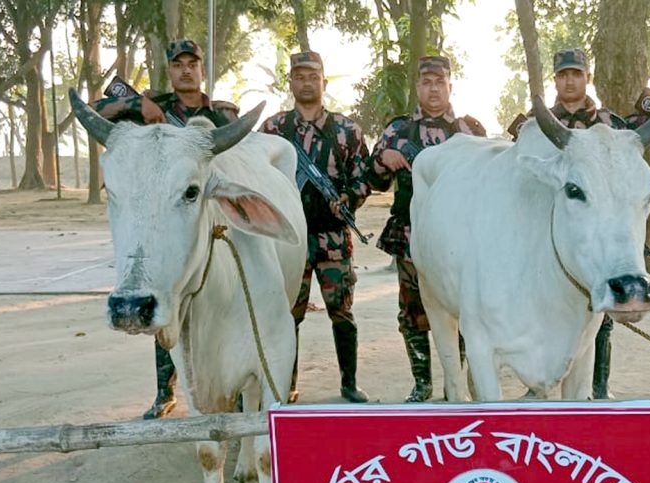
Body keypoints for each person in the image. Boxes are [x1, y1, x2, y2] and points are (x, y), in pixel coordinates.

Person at [94, 38, 239, 419]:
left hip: (205, 227)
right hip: (157, 229)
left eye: (193, 64)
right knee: (162, 306)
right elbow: (98, 110)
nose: (186, 70)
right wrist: (136, 104)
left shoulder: (221, 116)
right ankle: (165, 391)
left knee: (216, 315)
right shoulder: (152, 106)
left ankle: (232, 387)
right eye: (178, 64)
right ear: (170, 70)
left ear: (202, 70)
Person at [366, 56, 486, 402]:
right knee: (413, 313)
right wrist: (382, 159)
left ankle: (458, 384)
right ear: (417, 87)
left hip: (461, 238)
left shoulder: (469, 131)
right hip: (408, 235)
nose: (433, 89)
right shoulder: (397, 130)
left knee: (463, 309)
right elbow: (373, 180)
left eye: (439, 82)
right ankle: (422, 384)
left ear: (450, 85)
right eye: (426, 83)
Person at [258, 52, 371, 403]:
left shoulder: (347, 129)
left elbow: (363, 177)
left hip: (333, 237)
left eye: (313, 76)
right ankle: (286, 385)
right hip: (288, 238)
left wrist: (347, 200)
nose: (306, 82)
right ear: (290, 81)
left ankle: (349, 383)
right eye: (299, 76)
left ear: (323, 81)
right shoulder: (274, 129)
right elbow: (259, 175)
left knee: (342, 312)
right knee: (288, 313)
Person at [546, 48, 637, 400]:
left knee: (604, 312)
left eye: (576, 74)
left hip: (602, 234)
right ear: (555, 80)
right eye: (564, 74)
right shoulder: (537, 123)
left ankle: (597, 388)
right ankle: (542, 385)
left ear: (587, 78)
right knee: (549, 309)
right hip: (554, 237)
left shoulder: (610, 125)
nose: (570, 80)